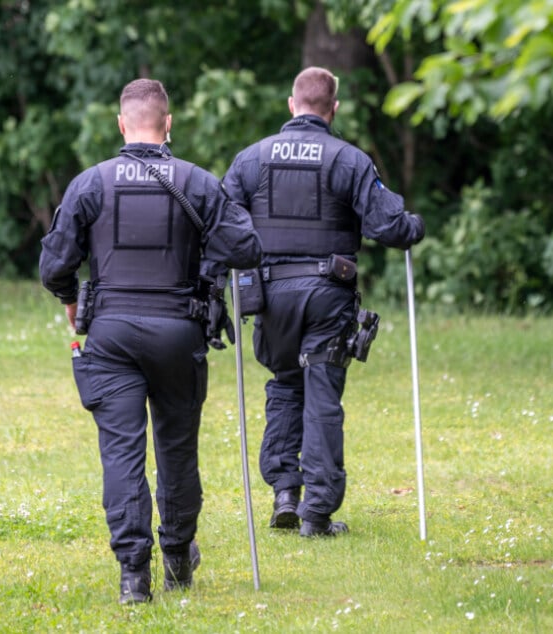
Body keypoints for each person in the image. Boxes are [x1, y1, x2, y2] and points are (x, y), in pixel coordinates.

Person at [39, 78, 262, 603]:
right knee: (177, 449)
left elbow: (54, 266)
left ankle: (133, 576)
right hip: (178, 333)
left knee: (121, 454)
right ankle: (179, 558)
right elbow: (245, 246)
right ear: (168, 124)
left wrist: (72, 297)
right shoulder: (198, 183)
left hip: (111, 335)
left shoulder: (91, 184)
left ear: (122, 124)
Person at [222, 66, 425, 538]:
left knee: (286, 385)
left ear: (291, 105)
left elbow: (222, 224)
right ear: (333, 109)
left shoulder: (250, 160)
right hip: (326, 294)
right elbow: (388, 227)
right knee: (321, 396)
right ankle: (316, 513)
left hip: (269, 295)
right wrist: (414, 226)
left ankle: (284, 493)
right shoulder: (348, 159)